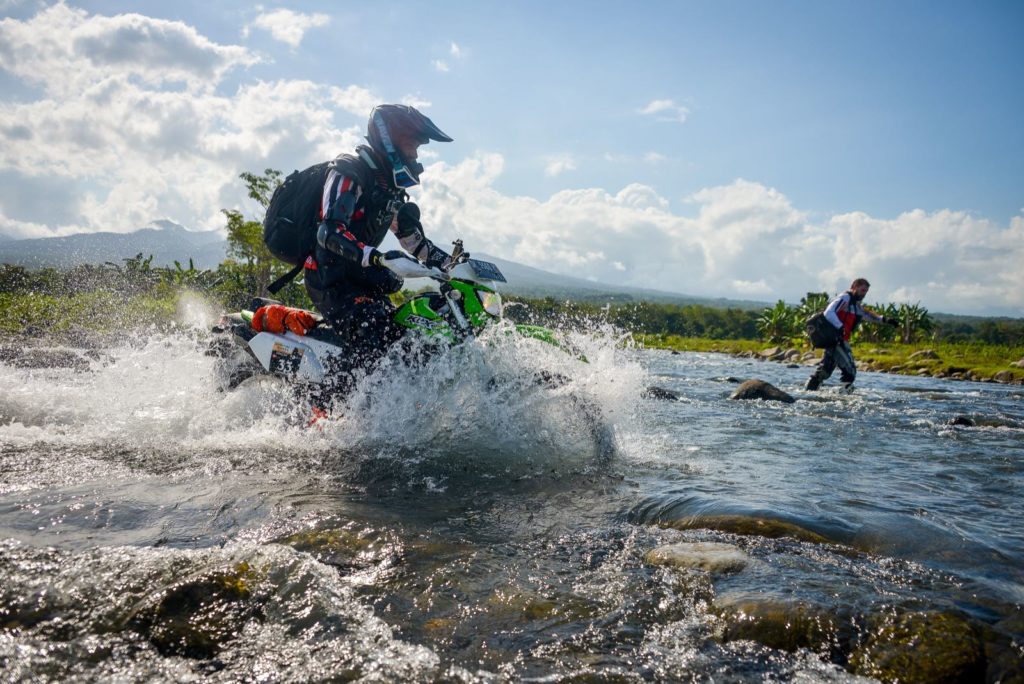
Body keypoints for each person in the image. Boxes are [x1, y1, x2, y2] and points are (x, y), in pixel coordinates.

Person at [303, 104, 454, 367]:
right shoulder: (348, 173)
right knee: (374, 336)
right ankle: (335, 401)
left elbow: (413, 242)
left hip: (362, 280)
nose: (415, 154)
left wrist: (452, 265)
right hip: (330, 279)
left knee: (407, 336)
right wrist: (378, 259)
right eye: (412, 145)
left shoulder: (389, 189)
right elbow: (329, 232)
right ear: (392, 141)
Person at [805, 278, 900, 391]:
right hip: (836, 340)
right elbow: (828, 312)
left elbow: (867, 315)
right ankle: (843, 400)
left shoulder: (856, 305)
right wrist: (840, 326)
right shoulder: (845, 298)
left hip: (838, 341)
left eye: (865, 291)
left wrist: (886, 320)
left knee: (824, 371)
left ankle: (808, 393)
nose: (863, 294)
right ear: (854, 287)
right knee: (850, 372)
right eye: (862, 290)